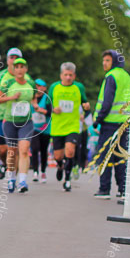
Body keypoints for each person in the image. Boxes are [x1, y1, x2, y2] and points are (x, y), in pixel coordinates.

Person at [0, 48, 34, 180]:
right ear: (8, 60)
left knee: (19, 149)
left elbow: (33, 96)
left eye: (16, 57)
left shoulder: (28, 79)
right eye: (11, 57)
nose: (13, 60)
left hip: (21, 119)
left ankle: (17, 178)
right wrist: (9, 97)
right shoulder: (0, 77)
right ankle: (5, 165)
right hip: (2, 117)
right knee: (4, 150)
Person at [93, 50, 130, 199]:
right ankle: (123, 189)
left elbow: (107, 101)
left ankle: (104, 189)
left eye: (108, 60)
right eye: (103, 60)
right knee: (121, 156)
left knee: (105, 156)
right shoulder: (127, 77)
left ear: (115, 61)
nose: (104, 63)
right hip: (124, 123)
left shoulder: (111, 76)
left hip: (109, 123)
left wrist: (98, 120)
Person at [0, 58, 38, 193]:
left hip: (26, 122)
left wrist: (35, 105)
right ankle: (12, 178)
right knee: (12, 151)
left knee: (24, 150)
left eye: (22, 67)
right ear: (14, 69)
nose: (19, 69)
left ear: (26, 69)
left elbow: (34, 97)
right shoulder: (8, 83)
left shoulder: (31, 83)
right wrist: (11, 98)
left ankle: (23, 181)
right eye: (17, 67)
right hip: (10, 122)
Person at [48, 63, 89, 192]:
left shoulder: (79, 87)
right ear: (61, 75)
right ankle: (60, 166)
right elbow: (47, 104)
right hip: (57, 127)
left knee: (70, 151)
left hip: (73, 126)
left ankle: (67, 180)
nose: (68, 77)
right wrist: (53, 109)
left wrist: (87, 107)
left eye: (70, 75)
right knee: (58, 156)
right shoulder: (54, 87)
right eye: (65, 75)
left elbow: (85, 103)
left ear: (74, 76)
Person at [30, 79, 51, 183]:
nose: (38, 88)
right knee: (34, 148)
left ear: (44, 88)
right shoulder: (30, 98)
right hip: (33, 128)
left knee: (43, 150)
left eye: (40, 86)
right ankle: (35, 171)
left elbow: (50, 112)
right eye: (36, 86)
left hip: (45, 128)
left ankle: (43, 171)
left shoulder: (47, 99)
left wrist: (40, 110)